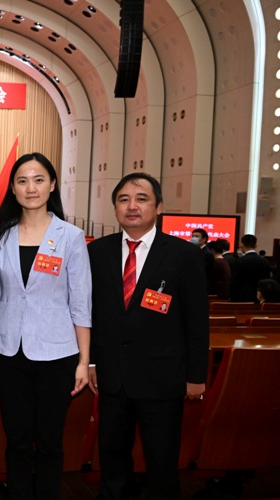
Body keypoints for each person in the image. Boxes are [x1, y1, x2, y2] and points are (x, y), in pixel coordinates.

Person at [87, 173, 209, 500]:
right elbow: (91, 314)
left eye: (141, 199)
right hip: (112, 377)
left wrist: (196, 375)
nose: (132, 206)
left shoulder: (184, 255)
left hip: (163, 377)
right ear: (114, 207)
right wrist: (93, 362)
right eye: (124, 199)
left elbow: (197, 321)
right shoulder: (97, 252)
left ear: (158, 207)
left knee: (162, 459)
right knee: (112, 455)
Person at [0, 152, 91, 500]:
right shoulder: (0, 235)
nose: (30, 188)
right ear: (13, 188)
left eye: (38, 179)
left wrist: (84, 361)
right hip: (9, 352)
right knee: (17, 438)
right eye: (22, 181)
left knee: (50, 439)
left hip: (57, 354)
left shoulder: (71, 236)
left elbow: (81, 303)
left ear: (52, 185)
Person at [230, 234, 271, 303]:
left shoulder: (240, 261)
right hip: (260, 299)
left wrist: (232, 298)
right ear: (256, 245)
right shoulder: (265, 261)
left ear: (241, 245)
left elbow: (235, 282)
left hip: (242, 299)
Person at [191, 228, 215, 293]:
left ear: (204, 239)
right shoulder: (194, 251)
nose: (193, 238)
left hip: (202, 286)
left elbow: (207, 272)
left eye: (196, 236)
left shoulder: (207, 254)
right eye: (192, 236)